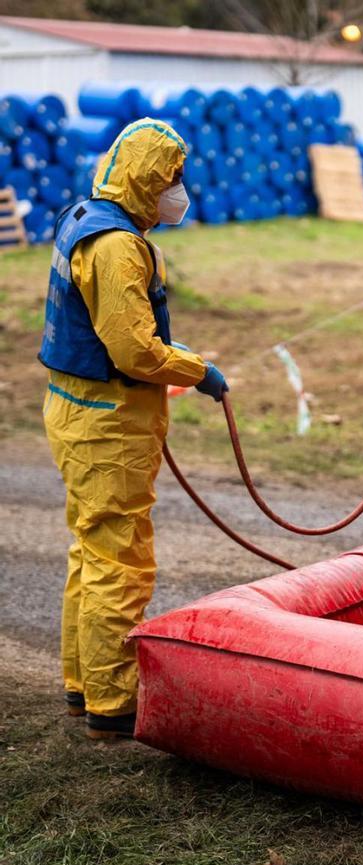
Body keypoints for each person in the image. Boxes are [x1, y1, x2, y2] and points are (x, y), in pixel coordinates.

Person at [39, 119, 228, 740]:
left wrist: (170, 353)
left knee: (92, 550)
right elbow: (133, 352)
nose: (180, 190)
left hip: (79, 408)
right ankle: (113, 704)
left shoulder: (85, 216)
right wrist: (196, 369)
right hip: (108, 423)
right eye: (173, 177)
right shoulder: (116, 244)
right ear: (148, 177)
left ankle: (84, 685)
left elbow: (117, 330)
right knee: (119, 560)